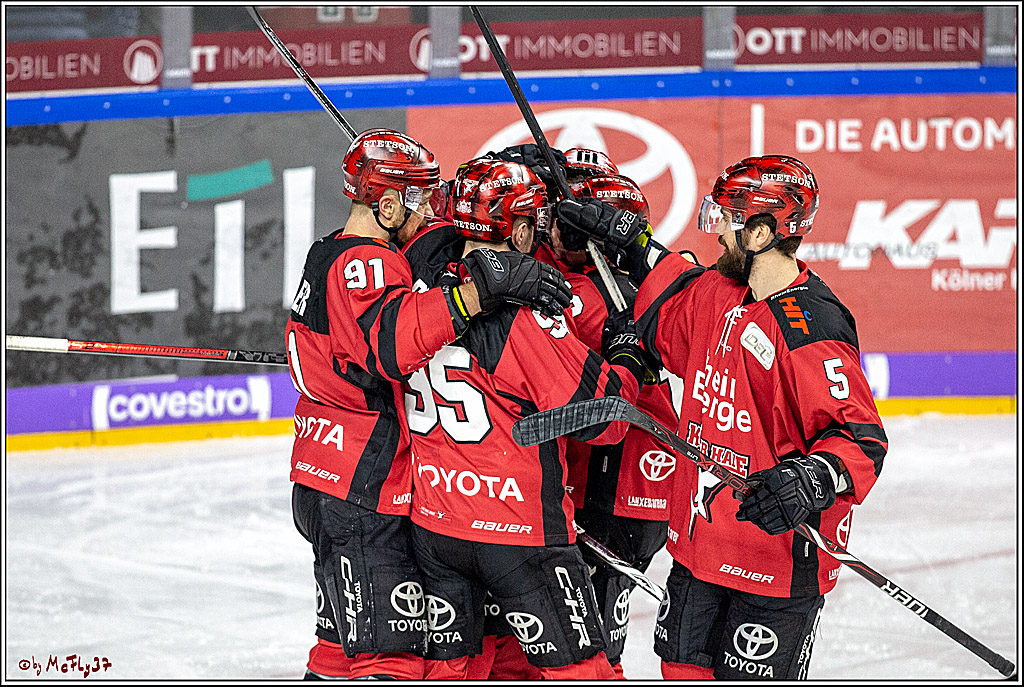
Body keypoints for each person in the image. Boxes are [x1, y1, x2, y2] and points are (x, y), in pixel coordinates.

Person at [555, 155, 888, 680]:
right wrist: (626, 238)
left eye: (729, 221)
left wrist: (811, 478)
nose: (718, 235)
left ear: (761, 233)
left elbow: (860, 439)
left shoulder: (811, 323)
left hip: (775, 567)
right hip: (698, 552)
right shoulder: (720, 293)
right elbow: (671, 288)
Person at [285, 129, 573, 680]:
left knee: (340, 646)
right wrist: (476, 293)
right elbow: (393, 345)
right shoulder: (369, 262)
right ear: (388, 204)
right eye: (416, 198)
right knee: (388, 659)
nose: (425, 211)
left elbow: (349, 348)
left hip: (324, 475)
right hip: (365, 487)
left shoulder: (326, 251)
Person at [400, 157, 652, 680]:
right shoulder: (524, 313)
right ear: (516, 231)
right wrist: (628, 354)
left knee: (460, 672)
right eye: (533, 224)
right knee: (583, 673)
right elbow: (605, 418)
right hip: (517, 533)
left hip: (435, 527)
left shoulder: (417, 283)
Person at [536, 154, 681, 678]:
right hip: (630, 486)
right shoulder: (616, 285)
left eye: (566, 217)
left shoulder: (595, 295)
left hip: (616, 492)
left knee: (588, 648)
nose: (549, 225)